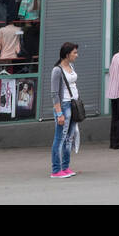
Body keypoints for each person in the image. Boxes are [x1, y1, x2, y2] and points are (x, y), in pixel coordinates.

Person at [50, 42, 81, 178]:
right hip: (64, 105)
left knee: (69, 138)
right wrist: (59, 113)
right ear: (67, 54)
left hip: (73, 105)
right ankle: (56, 170)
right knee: (60, 138)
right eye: (74, 52)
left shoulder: (71, 66)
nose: (76, 55)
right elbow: (54, 93)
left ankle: (65, 167)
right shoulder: (57, 70)